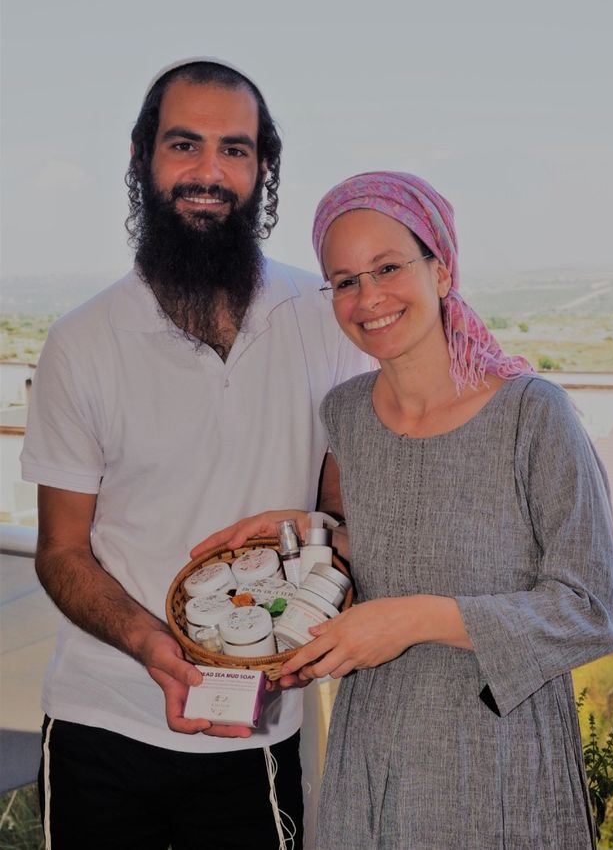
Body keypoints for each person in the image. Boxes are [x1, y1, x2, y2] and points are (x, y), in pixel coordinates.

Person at [213, 172, 613, 849]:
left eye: (387, 267)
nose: (368, 297)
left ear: (441, 269)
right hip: (372, 744)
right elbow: (386, 548)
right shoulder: (346, 413)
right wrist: (308, 533)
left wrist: (417, 618)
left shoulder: (531, 412)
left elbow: (594, 609)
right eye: (344, 280)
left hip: (497, 753)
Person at [20, 60, 368, 849]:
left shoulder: (325, 320)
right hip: (99, 718)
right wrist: (156, 646)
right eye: (185, 145)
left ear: (263, 168)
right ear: (144, 158)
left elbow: (344, 518)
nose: (209, 173)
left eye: (235, 150)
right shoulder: (83, 340)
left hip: (256, 731)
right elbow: (62, 550)